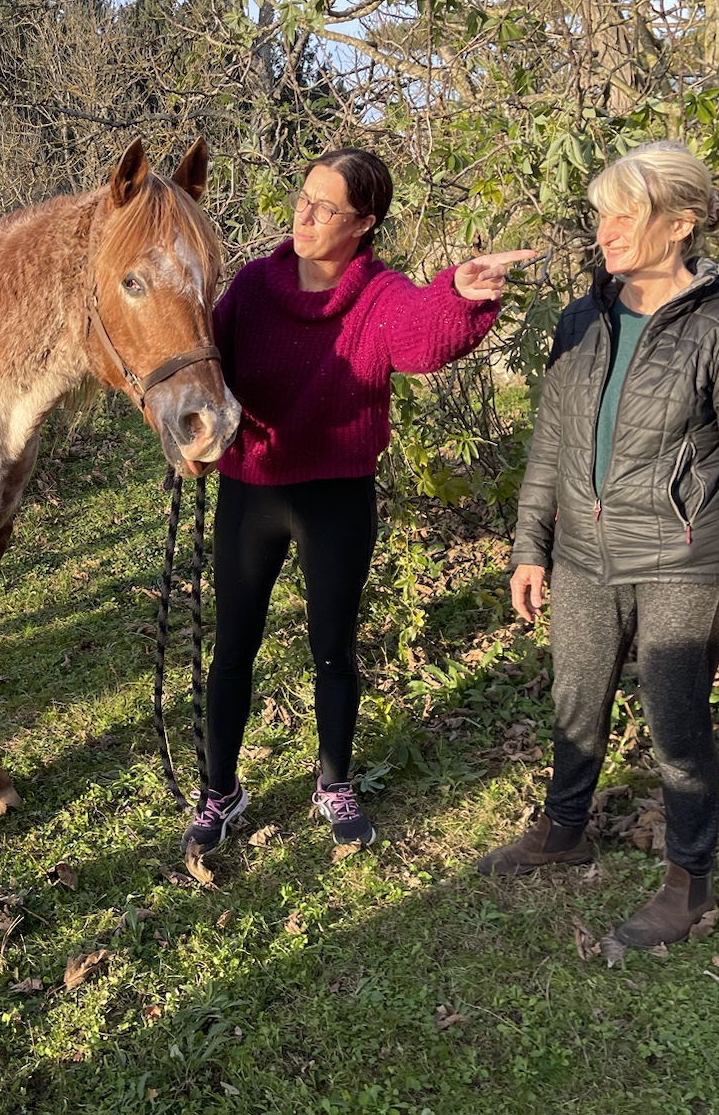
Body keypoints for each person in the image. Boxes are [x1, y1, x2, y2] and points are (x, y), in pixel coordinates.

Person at [476, 139, 719, 949]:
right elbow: (551, 439)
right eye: (600, 215)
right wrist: (530, 543)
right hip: (583, 555)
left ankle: (688, 882)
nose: (605, 232)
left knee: (674, 725)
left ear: (680, 223)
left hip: (681, 561)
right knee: (573, 701)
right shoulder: (583, 316)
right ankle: (564, 829)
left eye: (626, 214)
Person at [180, 148, 531, 854]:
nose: (303, 215)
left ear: (364, 222)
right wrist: (192, 432)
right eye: (303, 197)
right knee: (234, 648)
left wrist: (457, 293)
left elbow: (419, 338)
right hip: (250, 488)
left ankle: (332, 782)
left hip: (335, 495)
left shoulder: (378, 296)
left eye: (326, 207)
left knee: (332, 649)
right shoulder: (251, 286)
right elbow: (201, 364)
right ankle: (219, 792)